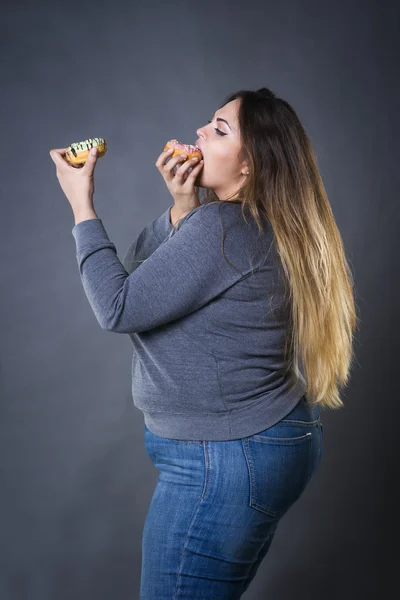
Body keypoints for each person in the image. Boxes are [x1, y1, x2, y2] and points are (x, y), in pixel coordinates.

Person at [69, 87, 358, 599]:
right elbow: (155, 281)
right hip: (265, 441)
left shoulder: (224, 226)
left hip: (223, 460)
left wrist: (81, 206)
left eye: (220, 129)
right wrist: (183, 209)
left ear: (250, 166)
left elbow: (119, 305)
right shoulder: (252, 223)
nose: (200, 131)